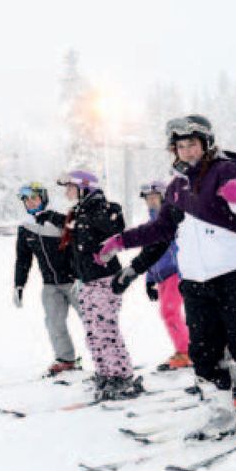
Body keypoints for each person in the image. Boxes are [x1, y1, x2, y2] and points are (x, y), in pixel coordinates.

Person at [97, 115, 236, 437]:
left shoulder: (224, 170)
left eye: (192, 144)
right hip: (196, 281)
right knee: (203, 351)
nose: (186, 151)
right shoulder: (176, 188)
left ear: (206, 144)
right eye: (181, 146)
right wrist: (122, 241)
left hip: (234, 274)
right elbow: (160, 230)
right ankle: (222, 413)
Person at [58, 169, 143, 400]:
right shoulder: (78, 212)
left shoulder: (99, 208)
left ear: (84, 187)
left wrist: (100, 207)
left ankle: (122, 375)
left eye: (69, 187)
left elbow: (116, 228)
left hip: (105, 278)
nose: (66, 192)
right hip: (87, 280)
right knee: (93, 330)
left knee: (106, 329)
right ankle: (105, 372)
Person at [13, 181, 81, 375]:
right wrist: (18, 285)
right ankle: (66, 359)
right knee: (54, 322)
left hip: (74, 282)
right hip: (50, 285)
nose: (31, 203)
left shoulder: (59, 218)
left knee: (92, 321)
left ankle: (107, 359)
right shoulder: (26, 228)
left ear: (43, 198)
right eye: (26, 200)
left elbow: (79, 238)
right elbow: (23, 259)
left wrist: (79, 276)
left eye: (34, 198)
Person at [137, 181, 191, 371]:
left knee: (170, 312)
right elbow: (148, 255)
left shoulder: (172, 221)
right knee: (171, 313)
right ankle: (188, 348)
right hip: (161, 277)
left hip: (175, 273)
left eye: (155, 197)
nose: (151, 202)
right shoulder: (150, 225)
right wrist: (149, 281)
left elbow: (179, 249)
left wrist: (183, 273)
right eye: (148, 199)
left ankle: (186, 352)